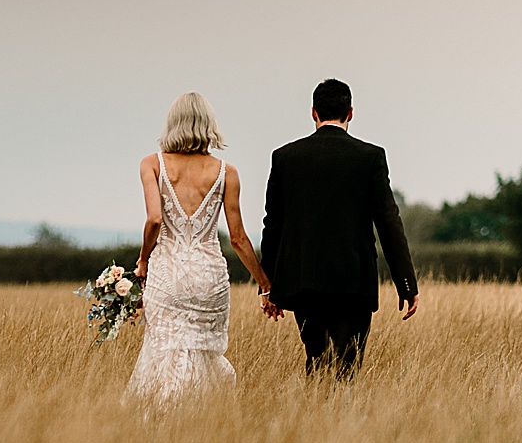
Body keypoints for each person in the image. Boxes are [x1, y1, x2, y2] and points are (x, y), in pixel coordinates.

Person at [258, 79, 418, 377]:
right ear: (351, 112)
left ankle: (312, 419)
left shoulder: (285, 157)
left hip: (304, 282)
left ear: (313, 112)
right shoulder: (370, 157)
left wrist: (269, 286)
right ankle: (341, 420)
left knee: (316, 360)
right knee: (347, 366)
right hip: (353, 283)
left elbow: (273, 224)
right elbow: (388, 222)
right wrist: (406, 283)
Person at [125, 92, 274, 404]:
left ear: (172, 125)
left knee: (163, 352)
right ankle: (202, 422)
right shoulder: (226, 172)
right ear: (208, 125)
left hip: (168, 275)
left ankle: (163, 423)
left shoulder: (152, 165)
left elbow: (154, 220)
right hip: (210, 277)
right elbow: (238, 239)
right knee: (204, 353)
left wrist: (142, 262)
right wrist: (265, 284)